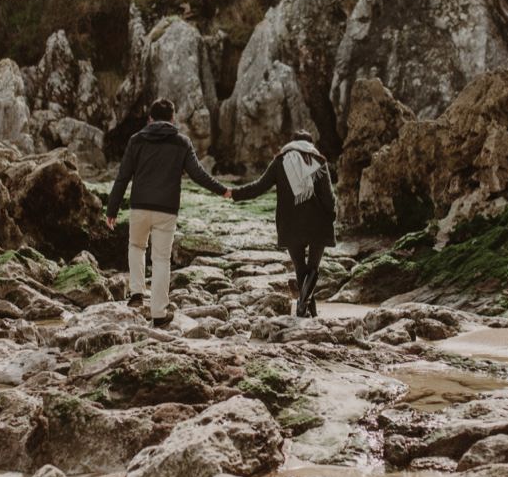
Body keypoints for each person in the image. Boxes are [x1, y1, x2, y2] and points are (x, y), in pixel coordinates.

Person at [106, 98, 230, 327]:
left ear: (150, 118)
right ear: (173, 119)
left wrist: (111, 209)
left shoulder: (136, 140)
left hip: (140, 206)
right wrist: (223, 190)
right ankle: (159, 314)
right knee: (161, 260)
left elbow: (123, 176)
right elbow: (198, 174)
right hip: (166, 210)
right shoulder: (181, 142)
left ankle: (136, 292)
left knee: (136, 247)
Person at [230, 130, 336, 317]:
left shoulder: (280, 162)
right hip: (317, 222)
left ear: (291, 143)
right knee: (312, 269)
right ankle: (306, 307)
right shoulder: (318, 162)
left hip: (290, 223)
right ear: (311, 144)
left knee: (300, 269)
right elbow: (328, 197)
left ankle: (306, 308)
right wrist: (332, 215)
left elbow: (258, 187)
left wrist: (234, 193)